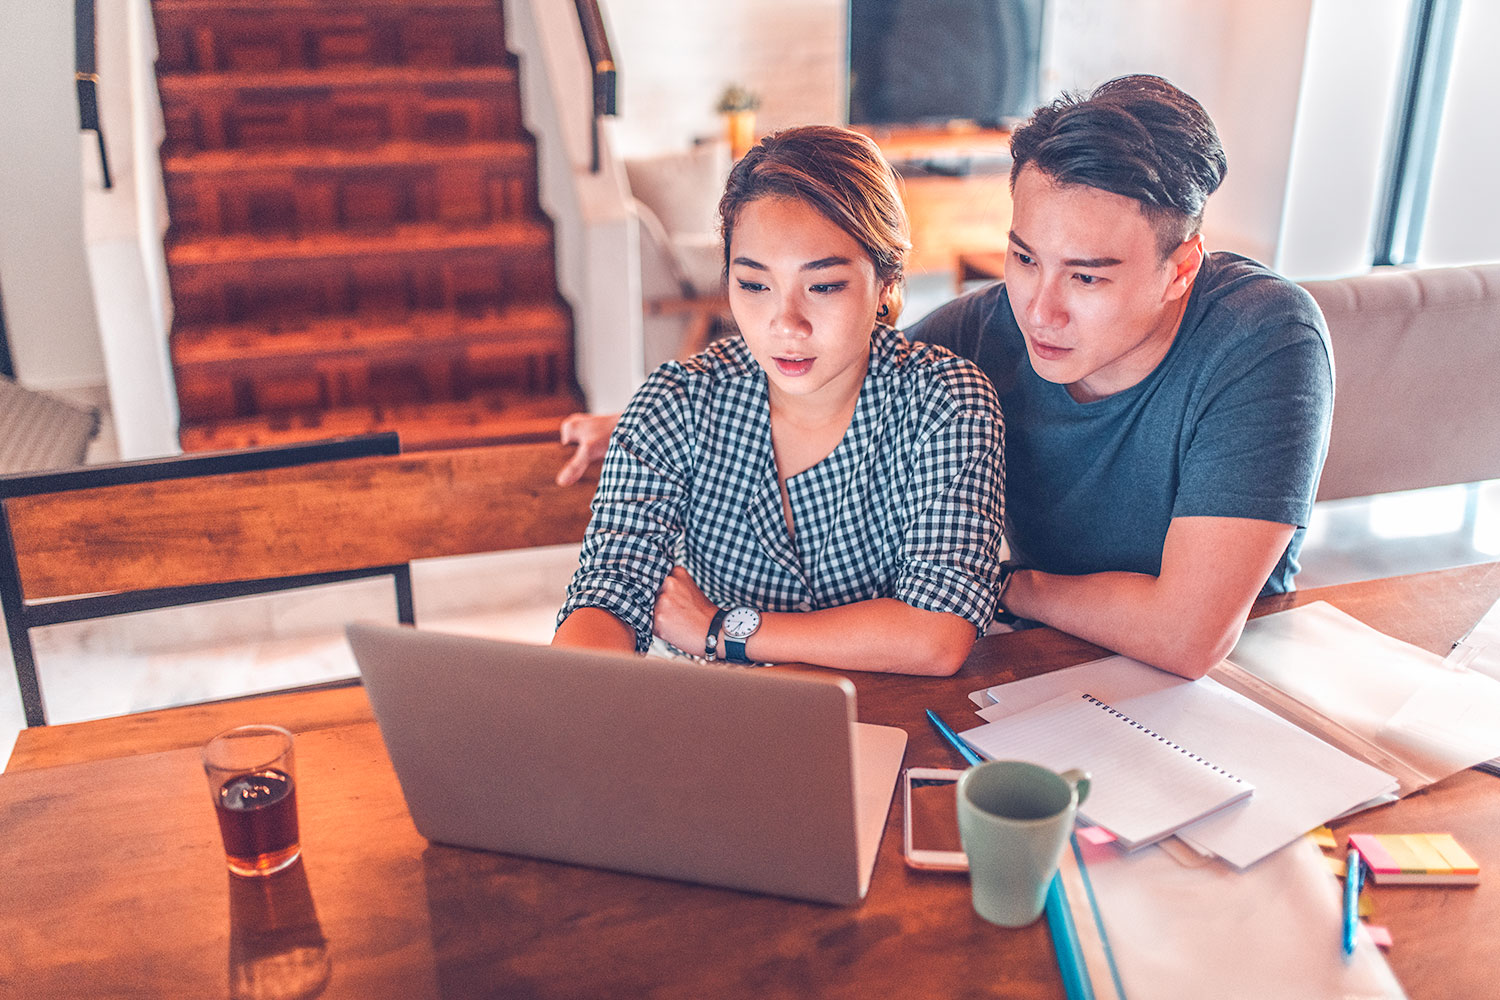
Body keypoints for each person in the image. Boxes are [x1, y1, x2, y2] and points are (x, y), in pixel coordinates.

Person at [555, 77, 1334, 682]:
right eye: (1024, 257)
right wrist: (638, 421)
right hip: (1035, 671)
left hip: (1223, 691)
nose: (1040, 309)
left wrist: (998, 587)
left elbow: (1187, 636)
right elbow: (828, 369)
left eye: (1087, 279)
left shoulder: (1262, 337)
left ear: (1179, 271)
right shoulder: (985, 331)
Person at [552, 125, 1005, 676]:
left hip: (889, 720)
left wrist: (723, 629)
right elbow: (609, 590)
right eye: (754, 284)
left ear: (887, 281)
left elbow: (937, 633)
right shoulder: (675, 405)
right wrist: (572, 696)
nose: (785, 325)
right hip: (721, 722)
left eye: (824, 285)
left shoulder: (945, 404)